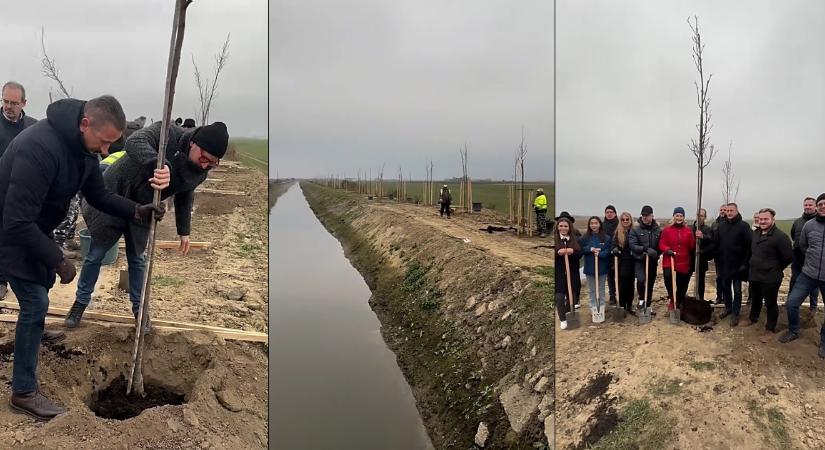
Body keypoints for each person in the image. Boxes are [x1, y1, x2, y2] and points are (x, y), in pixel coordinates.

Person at [0, 96, 169, 420]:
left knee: (40, 290)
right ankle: (23, 392)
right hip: (9, 227)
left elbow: (99, 195)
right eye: (105, 142)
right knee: (35, 301)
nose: (106, 151)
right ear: (85, 124)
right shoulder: (40, 148)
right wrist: (57, 259)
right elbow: (16, 220)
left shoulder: (84, 149)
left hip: (32, 226)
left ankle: (33, 329)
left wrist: (136, 210)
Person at [65, 120, 227, 329]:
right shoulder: (167, 133)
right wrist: (159, 164)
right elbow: (134, 141)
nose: (204, 165)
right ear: (194, 143)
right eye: (204, 158)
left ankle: (139, 311)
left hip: (146, 207)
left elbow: (186, 193)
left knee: (138, 260)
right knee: (96, 254)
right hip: (116, 195)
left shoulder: (200, 170)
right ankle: (80, 303)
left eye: (212, 163)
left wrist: (184, 231)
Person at [0, 81, 38, 299]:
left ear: (24, 103)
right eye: (5, 101)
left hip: (25, 195)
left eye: (14, 103)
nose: (8, 106)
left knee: (22, 236)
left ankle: (23, 278)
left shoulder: (33, 128)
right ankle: (1, 279)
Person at [780, 194, 825, 358]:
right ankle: (794, 330)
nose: (823, 206)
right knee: (791, 303)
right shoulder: (809, 225)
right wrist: (812, 261)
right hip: (808, 273)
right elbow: (803, 245)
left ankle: (824, 342)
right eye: (821, 204)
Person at [744, 208, 793, 343]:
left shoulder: (780, 237)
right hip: (755, 275)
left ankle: (770, 329)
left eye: (766, 219)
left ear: (773, 220)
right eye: (761, 219)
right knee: (756, 299)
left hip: (771, 277)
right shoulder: (756, 234)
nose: (763, 221)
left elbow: (788, 257)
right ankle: (753, 318)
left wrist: (774, 267)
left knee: (770, 303)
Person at [713, 203, 752, 326]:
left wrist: (745, 263)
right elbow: (716, 244)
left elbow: (748, 247)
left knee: (737, 291)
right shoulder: (721, 226)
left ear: (737, 211)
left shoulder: (744, 226)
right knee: (725, 289)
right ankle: (728, 308)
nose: (729, 213)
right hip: (724, 264)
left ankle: (735, 313)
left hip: (738, 266)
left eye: (731, 210)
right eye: (727, 211)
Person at [659, 207, 696, 311]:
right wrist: (667, 249)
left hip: (683, 261)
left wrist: (696, 239)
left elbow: (692, 246)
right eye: (677, 215)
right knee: (668, 278)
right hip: (669, 259)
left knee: (682, 283)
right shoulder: (667, 230)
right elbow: (661, 244)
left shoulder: (688, 231)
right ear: (674, 216)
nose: (679, 218)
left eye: (681, 216)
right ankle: (672, 298)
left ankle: (679, 300)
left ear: (683, 218)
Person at [629, 205, 661, 314]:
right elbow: (633, 245)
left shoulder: (657, 230)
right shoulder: (636, 230)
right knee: (641, 280)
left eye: (647, 215)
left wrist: (656, 253)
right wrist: (645, 249)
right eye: (643, 215)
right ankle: (642, 299)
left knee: (650, 283)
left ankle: (648, 305)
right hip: (640, 260)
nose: (645, 217)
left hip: (652, 260)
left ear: (652, 216)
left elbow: (660, 245)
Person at [790, 197, 819, 312]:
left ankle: (813, 307)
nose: (807, 207)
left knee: (813, 285)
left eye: (810, 205)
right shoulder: (797, 221)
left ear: (815, 206)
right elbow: (793, 236)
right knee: (794, 281)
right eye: (805, 205)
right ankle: (790, 302)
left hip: (813, 260)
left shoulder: (820, 221)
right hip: (797, 258)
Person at [580, 216, 611, 320]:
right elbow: (582, 249)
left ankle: (601, 306)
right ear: (589, 225)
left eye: (596, 223)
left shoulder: (606, 238)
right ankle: (593, 307)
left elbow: (607, 251)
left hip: (602, 267)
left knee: (601, 288)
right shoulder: (585, 238)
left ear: (599, 224)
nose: (594, 225)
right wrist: (590, 249)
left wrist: (600, 253)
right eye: (592, 223)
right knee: (591, 289)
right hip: (590, 267)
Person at [555, 217, 581, 330]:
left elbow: (580, 253)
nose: (563, 228)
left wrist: (573, 252)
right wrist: (557, 253)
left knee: (572, 295)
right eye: (561, 226)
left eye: (565, 226)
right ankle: (562, 318)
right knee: (560, 296)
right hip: (559, 272)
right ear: (557, 227)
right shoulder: (555, 239)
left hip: (572, 271)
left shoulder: (574, 239)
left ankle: (569, 313)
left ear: (569, 227)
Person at [611, 212, 637, 315]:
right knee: (623, 286)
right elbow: (613, 245)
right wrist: (615, 249)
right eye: (623, 219)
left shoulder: (634, 231)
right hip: (622, 262)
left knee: (631, 285)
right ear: (620, 221)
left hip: (633, 261)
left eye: (627, 219)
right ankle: (622, 305)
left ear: (630, 220)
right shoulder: (618, 232)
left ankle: (629, 305)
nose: (625, 221)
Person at [692, 208, 716, 302]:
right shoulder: (690, 228)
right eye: (698, 215)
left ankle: (700, 299)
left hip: (701, 258)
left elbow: (712, 243)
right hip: (690, 258)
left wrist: (703, 237)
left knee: (701, 280)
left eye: (701, 216)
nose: (699, 217)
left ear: (705, 217)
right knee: (685, 279)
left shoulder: (708, 229)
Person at [602, 205, 619, 305]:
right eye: (607, 212)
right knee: (610, 276)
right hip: (607, 254)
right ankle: (612, 295)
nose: (609, 214)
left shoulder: (619, 224)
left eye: (611, 212)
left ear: (615, 214)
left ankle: (620, 294)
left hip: (618, 253)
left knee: (620, 275)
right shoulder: (602, 225)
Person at [711, 204, 727, 304]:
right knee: (719, 277)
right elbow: (712, 239)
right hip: (718, 255)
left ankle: (726, 297)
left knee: (727, 278)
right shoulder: (715, 224)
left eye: (724, 210)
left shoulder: (729, 223)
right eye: (721, 209)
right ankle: (718, 296)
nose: (722, 211)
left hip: (728, 255)